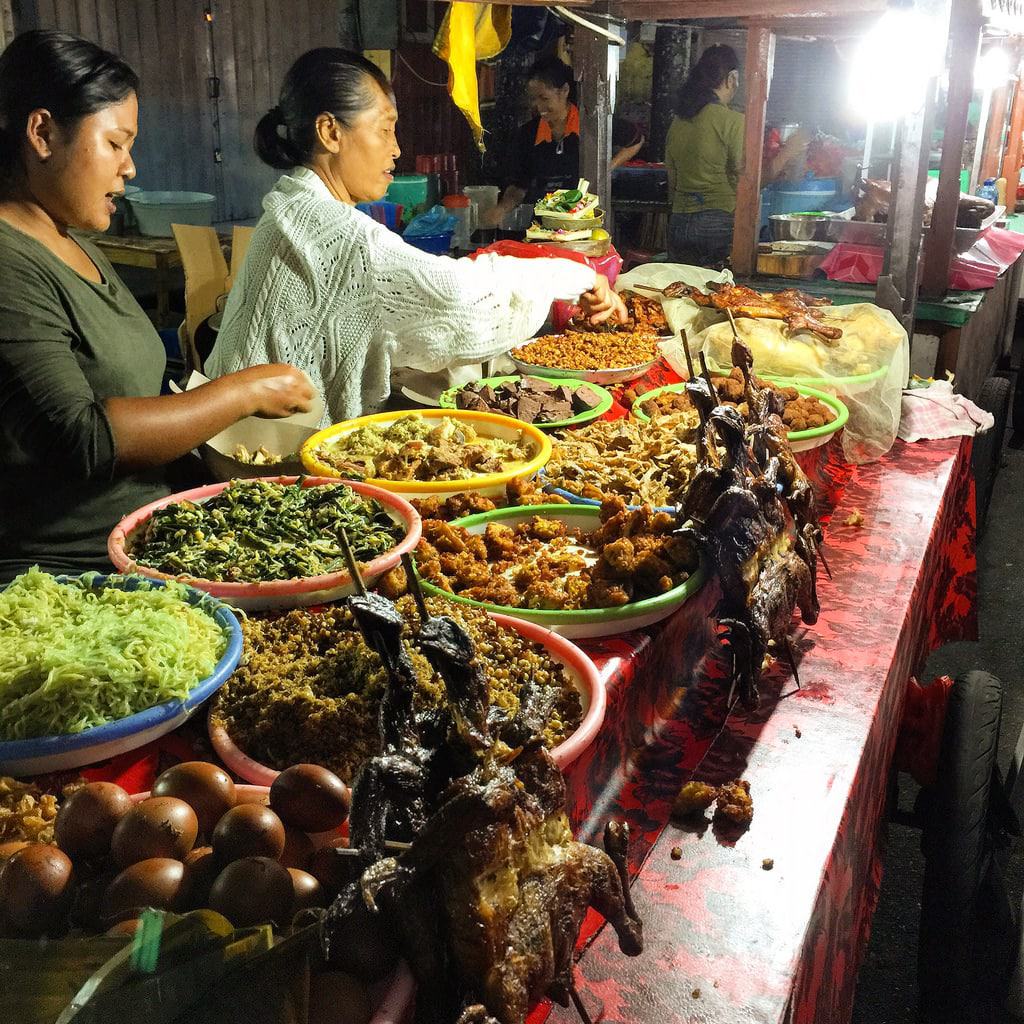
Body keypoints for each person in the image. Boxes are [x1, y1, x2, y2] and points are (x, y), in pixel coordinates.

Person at [0, 30, 314, 581]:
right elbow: (83, 437)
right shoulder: (9, 263)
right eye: (116, 143)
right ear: (42, 132)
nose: (130, 168)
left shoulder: (76, 244)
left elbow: (131, 392)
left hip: (154, 537)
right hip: (72, 575)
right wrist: (242, 392)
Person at [205, 48, 626, 425]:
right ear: (330, 132)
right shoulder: (338, 233)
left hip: (236, 440)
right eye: (385, 129)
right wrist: (578, 276)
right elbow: (462, 299)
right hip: (265, 464)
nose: (397, 149)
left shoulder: (293, 208)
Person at [665, 45, 809, 268]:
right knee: (720, 295)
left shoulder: (679, 121)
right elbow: (750, 184)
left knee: (679, 293)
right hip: (717, 223)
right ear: (732, 78)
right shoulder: (732, 121)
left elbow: (672, 181)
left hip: (679, 222)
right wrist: (789, 151)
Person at [484, 55, 645, 228]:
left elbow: (636, 138)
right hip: (542, 226)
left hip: (582, 224)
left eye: (544, 98)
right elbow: (518, 185)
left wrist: (605, 169)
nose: (538, 107)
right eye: (534, 99)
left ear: (565, 90)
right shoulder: (527, 134)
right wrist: (501, 208)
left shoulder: (590, 125)